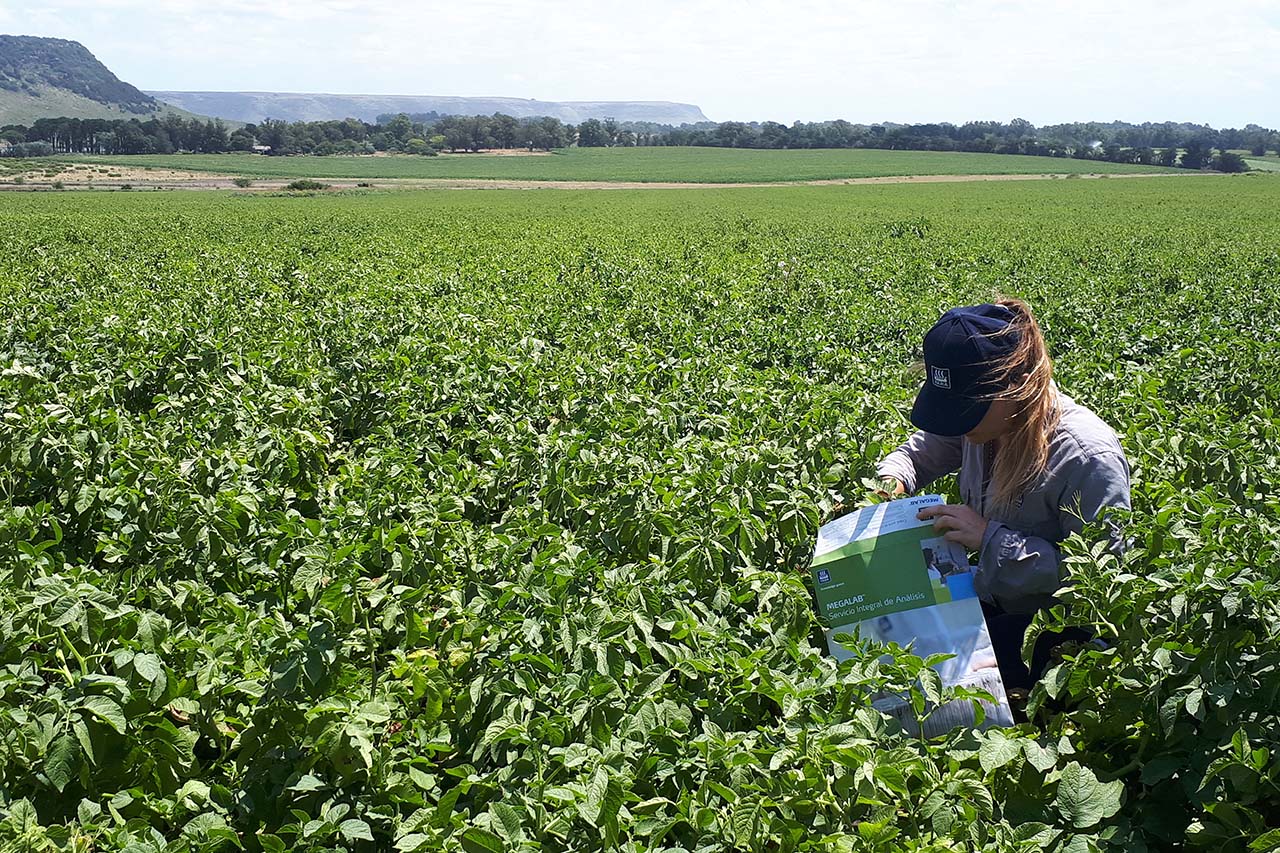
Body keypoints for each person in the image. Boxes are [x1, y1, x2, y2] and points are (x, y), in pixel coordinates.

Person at [874, 299, 1130, 694]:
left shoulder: (1085, 457)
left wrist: (990, 539)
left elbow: (1105, 585)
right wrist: (896, 476)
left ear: (1015, 386)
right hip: (996, 593)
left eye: (964, 411)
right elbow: (930, 446)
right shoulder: (986, 425)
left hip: (1055, 631)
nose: (958, 424)